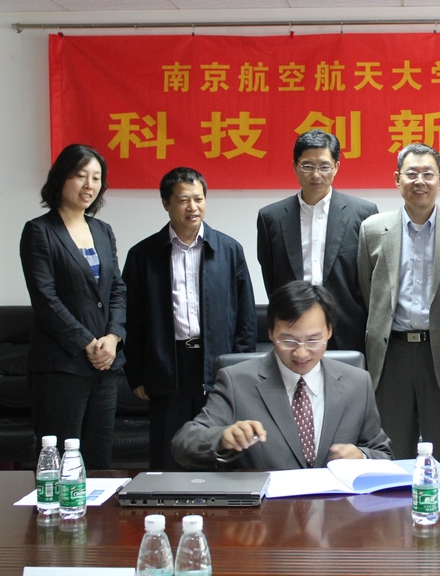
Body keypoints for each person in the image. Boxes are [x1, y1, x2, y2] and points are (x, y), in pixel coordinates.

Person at [172, 281, 392, 470]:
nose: (301, 353)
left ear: (329, 331)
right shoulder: (236, 382)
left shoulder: (357, 383)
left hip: (337, 505)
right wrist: (222, 439)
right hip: (266, 505)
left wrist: (362, 456)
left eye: (313, 340)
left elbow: (383, 453)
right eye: (288, 340)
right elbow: (184, 444)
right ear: (270, 333)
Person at [122, 167, 257, 469]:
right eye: (183, 200)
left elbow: (245, 317)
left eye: (198, 199)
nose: (192, 207)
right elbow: (131, 318)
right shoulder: (142, 255)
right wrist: (136, 373)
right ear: (166, 203)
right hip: (167, 364)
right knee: (168, 449)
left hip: (217, 362)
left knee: (219, 445)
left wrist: (241, 367)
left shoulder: (229, 250)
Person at [357, 143, 440, 459]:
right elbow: (368, 291)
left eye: (428, 174)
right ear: (397, 179)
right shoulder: (372, 229)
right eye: (411, 174)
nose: (419, 181)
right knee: (392, 448)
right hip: (391, 353)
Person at [19, 144, 126, 470]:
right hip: (61, 367)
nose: (89, 185)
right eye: (81, 175)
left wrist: (113, 337)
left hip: (105, 366)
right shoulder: (40, 231)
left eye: (96, 177)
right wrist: (86, 342)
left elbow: (117, 289)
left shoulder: (103, 231)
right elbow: (45, 298)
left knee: (99, 462)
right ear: (61, 178)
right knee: (60, 465)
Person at [256, 130, 378, 353]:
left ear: (336, 167)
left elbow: (370, 280)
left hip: (348, 330)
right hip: (293, 330)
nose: (315, 174)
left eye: (324, 166)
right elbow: (271, 278)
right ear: (295, 166)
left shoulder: (363, 214)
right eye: (307, 165)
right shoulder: (271, 218)